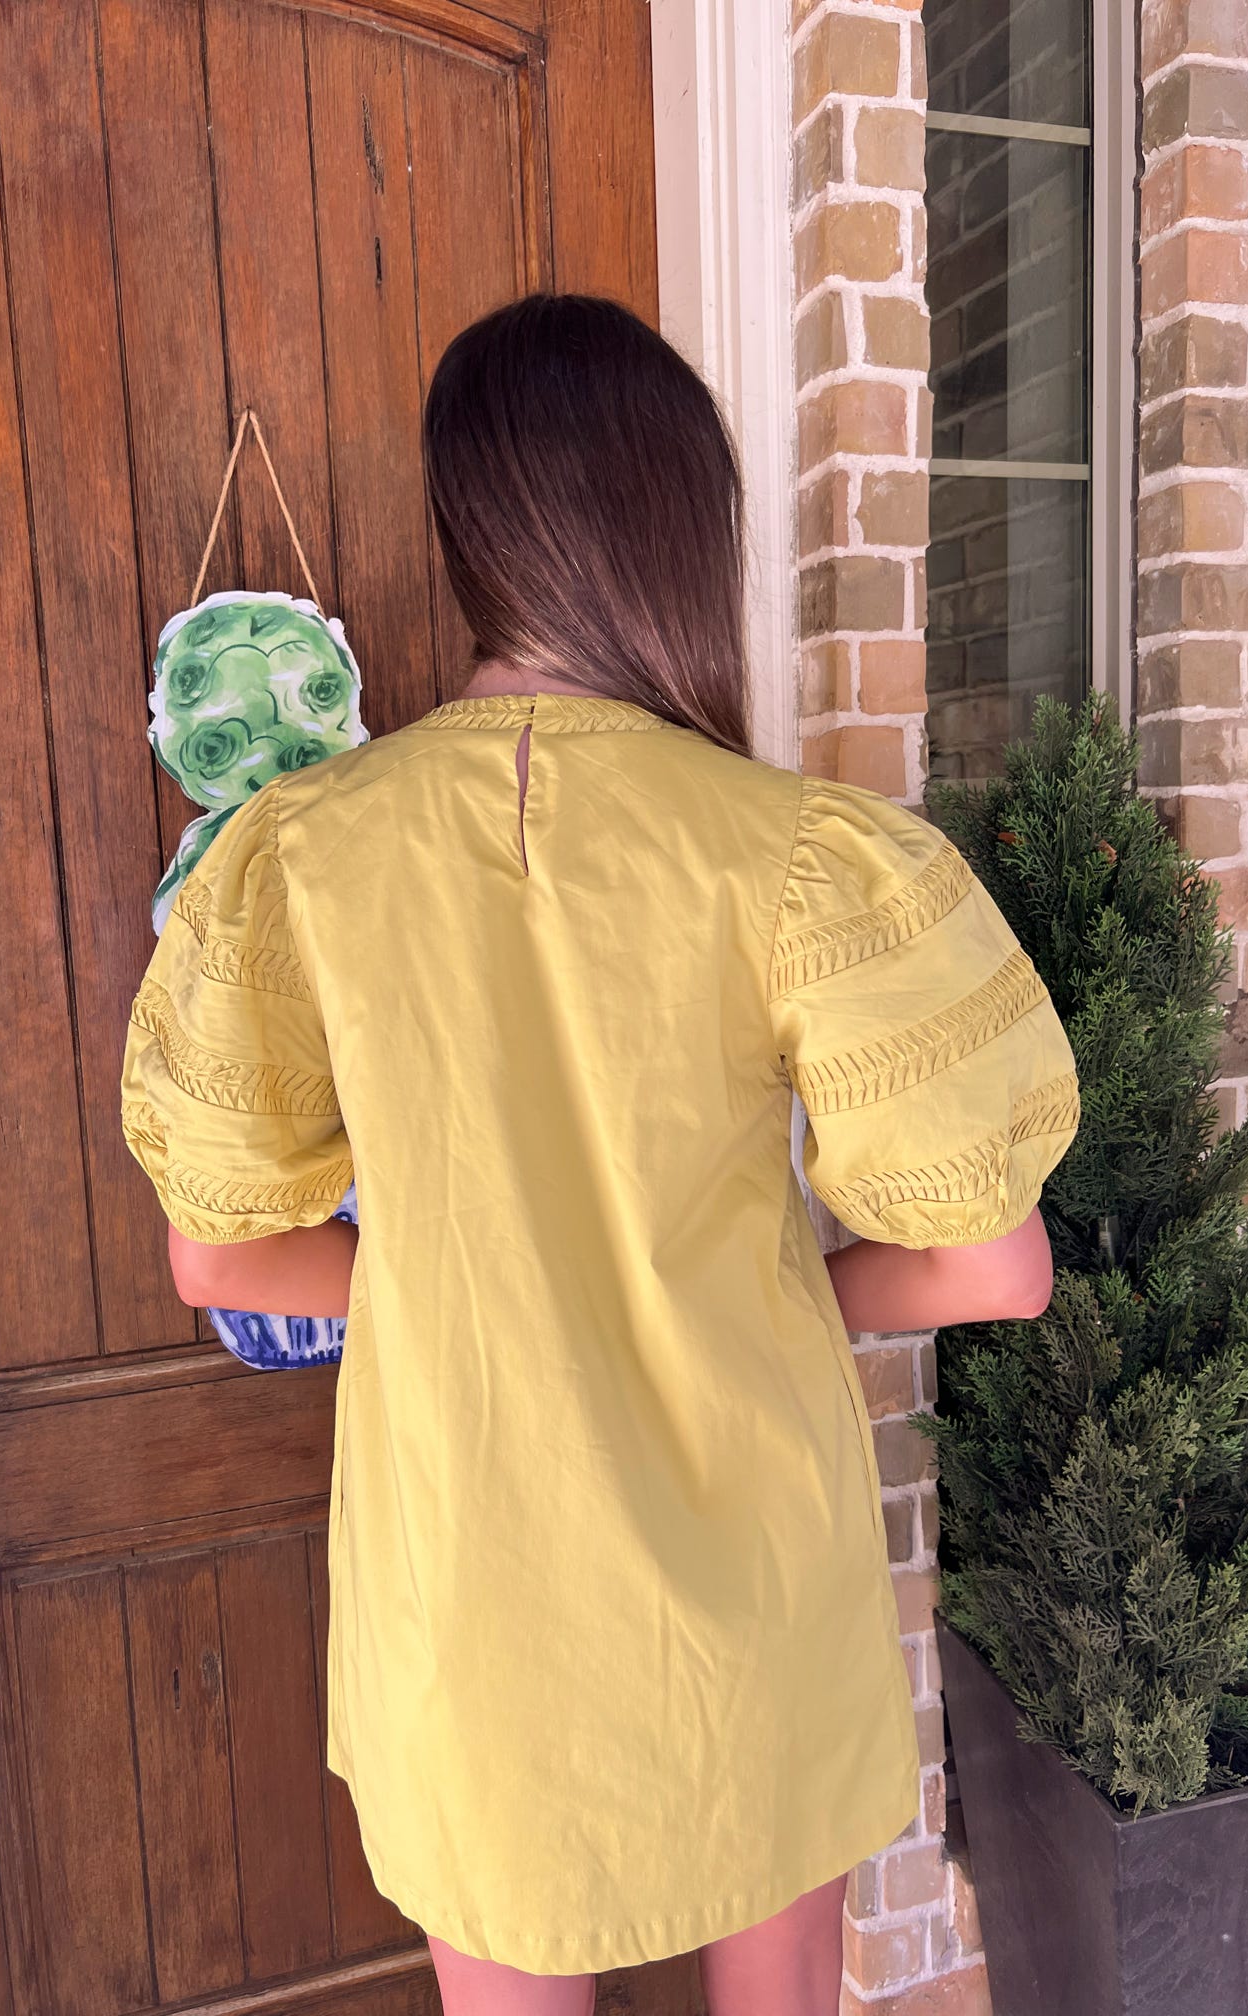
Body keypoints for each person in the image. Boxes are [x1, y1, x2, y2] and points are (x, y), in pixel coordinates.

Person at [120, 293, 1079, 2016]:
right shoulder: (798, 854)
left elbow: (225, 1259)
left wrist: (462, 1273)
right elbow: (994, 1267)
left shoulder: (303, 860)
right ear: (681, 527)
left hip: (469, 1594)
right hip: (751, 1588)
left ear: (469, 533)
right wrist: (772, 1273)